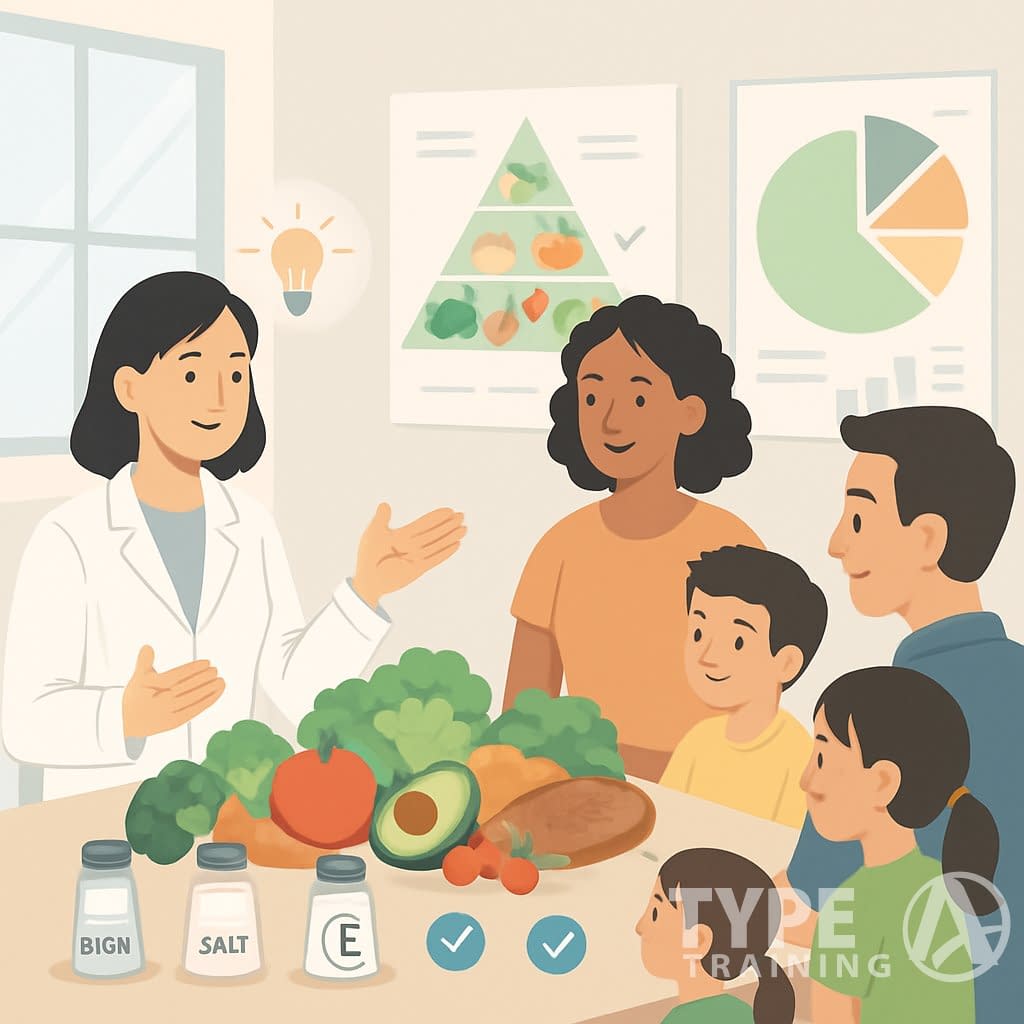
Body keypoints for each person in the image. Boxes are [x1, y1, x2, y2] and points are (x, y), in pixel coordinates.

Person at [0, 272, 465, 801]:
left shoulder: (251, 526)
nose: (220, 399)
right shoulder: (68, 538)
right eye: (193, 374)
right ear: (130, 388)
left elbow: (296, 691)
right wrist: (123, 716)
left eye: (237, 374)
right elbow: (23, 720)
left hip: (226, 815)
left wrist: (364, 592)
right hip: (106, 816)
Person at [776, 406, 1020, 1022]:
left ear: (928, 539)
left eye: (858, 516)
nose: (836, 542)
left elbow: (819, 910)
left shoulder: (890, 709)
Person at [505, 296, 762, 780]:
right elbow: (523, 720)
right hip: (582, 795)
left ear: (690, 414)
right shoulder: (559, 549)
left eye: (639, 397)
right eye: (593, 397)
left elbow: (754, 720)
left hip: (706, 800)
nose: (611, 420)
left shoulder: (733, 545)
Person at [804, 666, 994, 1024]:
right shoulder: (939, 884)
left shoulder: (852, 906)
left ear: (882, 782)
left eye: (821, 758)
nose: (806, 779)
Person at [660, 545, 827, 827]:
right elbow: (663, 820)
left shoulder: (798, 759)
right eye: (699, 633)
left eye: (737, 641)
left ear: (786, 662)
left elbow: (784, 848)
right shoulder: (697, 743)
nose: (706, 656)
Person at [636, 847, 795, 1023]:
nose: (640, 927)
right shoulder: (744, 1013)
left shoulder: (682, 1019)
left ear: (698, 941)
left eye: (655, 914)